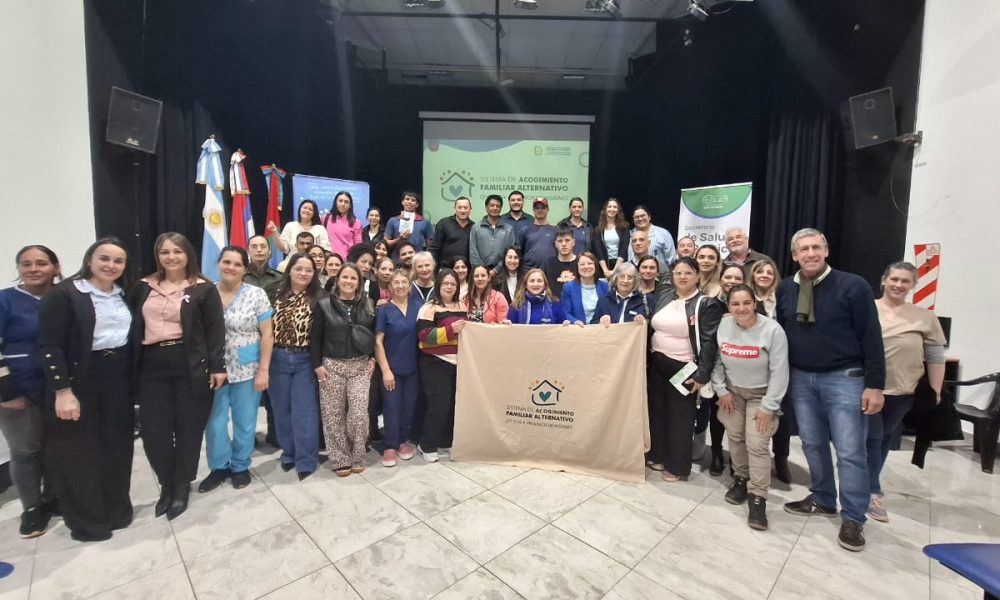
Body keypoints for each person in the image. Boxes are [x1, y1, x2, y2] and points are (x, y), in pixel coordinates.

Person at [776, 228, 885, 552]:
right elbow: (782, 333)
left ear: (826, 251)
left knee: (850, 451)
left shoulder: (853, 286)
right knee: (811, 443)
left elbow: (871, 336)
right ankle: (823, 498)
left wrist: (875, 385)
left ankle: (853, 517)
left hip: (845, 377)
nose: (810, 253)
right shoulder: (786, 288)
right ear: (794, 255)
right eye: (803, 249)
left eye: (816, 247)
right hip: (801, 377)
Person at [37, 238, 133, 541]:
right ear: (89, 259)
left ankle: (117, 511)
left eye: (118, 261)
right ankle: (89, 523)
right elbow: (50, 346)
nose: (111, 265)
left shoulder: (123, 293)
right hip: (79, 381)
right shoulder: (64, 294)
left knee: (116, 448)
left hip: (117, 379)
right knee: (79, 453)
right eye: (104, 258)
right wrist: (62, 391)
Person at [130, 232, 226, 521]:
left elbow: (215, 331)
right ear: (157, 256)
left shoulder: (203, 289)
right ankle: (166, 483)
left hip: (190, 364)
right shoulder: (142, 287)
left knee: (188, 428)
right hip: (151, 365)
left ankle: (182, 485)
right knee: (154, 431)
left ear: (188, 255)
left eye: (177, 251)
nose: (171, 257)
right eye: (165, 252)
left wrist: (218, 367)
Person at [867, 261, 946, 523]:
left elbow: (935, 357)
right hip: (867, 388)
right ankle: (872, 490)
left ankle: (867, 484)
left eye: (905, 281)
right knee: (872, 437)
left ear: (913, 285)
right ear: (883, 280)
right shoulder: (867, 308)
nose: (898, 285)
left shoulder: (925, 317)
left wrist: (935, 390)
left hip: (903, 391)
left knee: (883, 437)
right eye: (894, 279)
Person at [711, 284, 789, 530]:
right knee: (735, 437)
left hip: (761, 396)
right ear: (729, 306)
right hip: (733, 392)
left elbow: (780, 371)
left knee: (757, 444)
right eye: (735, 304)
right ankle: (741, 479)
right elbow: (717, 359)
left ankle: (758, 496)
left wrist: (769, 406)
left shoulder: (773, 330)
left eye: (746, 303)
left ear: (755, 303)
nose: (741, 308)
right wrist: (721, 390)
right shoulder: (724, 325)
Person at [199, 247, 273, 493]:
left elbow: (267, 334)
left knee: (245, 422)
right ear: (218, 264)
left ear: (245, 268)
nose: (231, 267)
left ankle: (240, 466)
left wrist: (264, 369)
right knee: (215, 423)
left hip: (248, 368)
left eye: (237, 264)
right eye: (226, 262)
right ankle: (219, 467)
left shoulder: (256, 294)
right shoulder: (205, 293)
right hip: (213, 369)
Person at [0, 245, 60, 538]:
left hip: (58, 388)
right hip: (18, 388)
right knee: (25, 450)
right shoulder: (5, 300)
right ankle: (32, 508)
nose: (34, 269)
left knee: (56, 445)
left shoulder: (63, 297)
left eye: (41, 263)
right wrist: (6, 391)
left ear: (55, 268)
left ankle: (53, 496)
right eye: (26, 264)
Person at [646, 257, 724, 482]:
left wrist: (702, 375)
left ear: (697, 275)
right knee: (657, 412)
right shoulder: (665, 296)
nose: (682, 277)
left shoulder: (706, 304)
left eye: (688, 272)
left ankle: (677, 466)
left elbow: (709, 343)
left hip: (684, 367)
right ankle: (657, 456)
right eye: (678, 273)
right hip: (657, 363)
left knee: (680, 418)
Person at [312, 263, 377, 478]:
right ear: (338, 279)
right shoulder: (323, 305)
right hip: (332, 366)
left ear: (359, 282)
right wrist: (317, 366)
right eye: (345, 277)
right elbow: (315, 338)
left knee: (358, 415)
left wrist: (373, 358)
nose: (348, 281)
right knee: (333, 416)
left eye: (353, 278)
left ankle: (357, 455)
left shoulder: (368, 303)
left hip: (360, 366)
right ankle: (340, 459)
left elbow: (373, 334)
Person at [268, 253, 321, 478]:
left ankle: (306, 459)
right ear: (289, 270)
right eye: (299, 268)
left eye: (308, 270)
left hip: (305, 360)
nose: (303, 273)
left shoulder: (320, 297)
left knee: (305, 412)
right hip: (276, 358)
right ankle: (289, 453)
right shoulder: (272, 293)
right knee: (281, 410)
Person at [416, 269, 468, 462]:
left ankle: (445, 441)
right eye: (445, 283)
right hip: (435, 363)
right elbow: (424, 336)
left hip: (459, 363)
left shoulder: (462, 305)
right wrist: (450, 329)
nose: (449, 287)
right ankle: (426, 444)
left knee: (453, 405)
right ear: (438, 285)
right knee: (439, 406)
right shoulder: (429, 308)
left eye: (453, 284)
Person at [699, 263, 745, 476]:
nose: (732, 281)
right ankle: (716, 453)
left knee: (740, 417)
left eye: (737, 278)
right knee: (717, 414)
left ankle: (738, 460)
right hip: (716, 367)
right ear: (720, 279)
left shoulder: (749, 304)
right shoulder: (711, 304)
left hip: (741, 369)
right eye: (728, 277)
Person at [749, 257, 791, 483]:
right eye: (759, 271)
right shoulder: (746, 299)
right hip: (753, 365)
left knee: (781, 413)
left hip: (779, 361)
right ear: (753, 275)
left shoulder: (783, 298)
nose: (764, 275)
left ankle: (781, 457)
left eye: (769, 272)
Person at [375, 269, 421, 467]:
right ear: (390, 287)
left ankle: (402, 441)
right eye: (396, 282)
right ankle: (390, 445)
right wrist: (386, 370)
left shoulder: (419, 307)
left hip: (413, 368)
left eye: (404, 282)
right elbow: (378, 342)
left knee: (408, 407)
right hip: (391, 369)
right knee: (391, 407)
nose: (400, 285)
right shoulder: (384, 310)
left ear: (410, 286)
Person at [469, 194, 516, 278]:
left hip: (501, 274)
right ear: (486, 207)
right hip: (480, 275)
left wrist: (496, 270)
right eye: (492, 205)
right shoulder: (476, 228)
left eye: (498, 206)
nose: (495, 208)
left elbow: (510, 253)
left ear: (501, 208)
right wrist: (482, 271)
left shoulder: (509, 229)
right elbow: (473, 252)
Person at [561, 252, 608, 325]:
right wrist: (575, 321)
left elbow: (609, 311)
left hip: (600, 328)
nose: (586, 267)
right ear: (577, 267)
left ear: (595, 266)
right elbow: (566, 313)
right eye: (582, 264)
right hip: (578, 328)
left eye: (590, 263)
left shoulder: (605, 286)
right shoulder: (568, 287)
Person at [385, 191, 434, 258]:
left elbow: (430, 246)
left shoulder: (425, 222)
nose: (410, 202)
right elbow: (385, 244)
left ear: (417, 204)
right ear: (402, 202)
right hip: (397, 261)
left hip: (417, 261)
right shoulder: (393, 221)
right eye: (407, 199)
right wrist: (399, 239)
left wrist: (424, 259)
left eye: (413, 200)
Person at [591, 197, 630, 279]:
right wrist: (605, 270)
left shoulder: (624, 227)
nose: (612, 209)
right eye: (609, 207)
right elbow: (598, 250)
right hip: (604, 266)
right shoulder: (598, 229)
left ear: (618, 210)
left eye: (615, 207)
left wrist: (615, 270)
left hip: (620, 264)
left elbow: (624, 248)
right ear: (605, 209)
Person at [629, 206, 676, 271]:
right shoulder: (628, 235)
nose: (640, 219)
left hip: (661, 274)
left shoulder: (663, 233)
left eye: (643, 216)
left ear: (649, 217)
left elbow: (672, 260)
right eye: (636, 217)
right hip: (634, 274)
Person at [431, 196, 473, 266]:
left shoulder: (474, 227)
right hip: (445, 268)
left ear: (470, 210)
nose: (463, 211)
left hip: (465, 269)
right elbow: (434, 247)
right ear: (454, 209)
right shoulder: (443, 223)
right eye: (459, 207)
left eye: (465, 208)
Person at [520, 198, 558, 270]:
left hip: (550, 270)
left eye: (543, 208)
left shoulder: (555, 230)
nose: (539, 210)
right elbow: (520, 253)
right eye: (537, 208)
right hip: (528, 270)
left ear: (547, 210)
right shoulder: (524, 230)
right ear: (533, 210)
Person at [324, 191, 363, 259]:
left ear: (350, 205)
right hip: (329, 260)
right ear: (335, 202)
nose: (343, 204)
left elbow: (358, 247)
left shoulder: (356, 223)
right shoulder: (325, 218)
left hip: (347, 261)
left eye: (346, 202)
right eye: (340, 201)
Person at [542, 227, 579, 297]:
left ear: (573, 242)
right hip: (554, 302)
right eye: (560, 241)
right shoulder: (548, 263)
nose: (564, 244)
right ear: (556, 244)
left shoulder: (581, 263)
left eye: (567, 240)